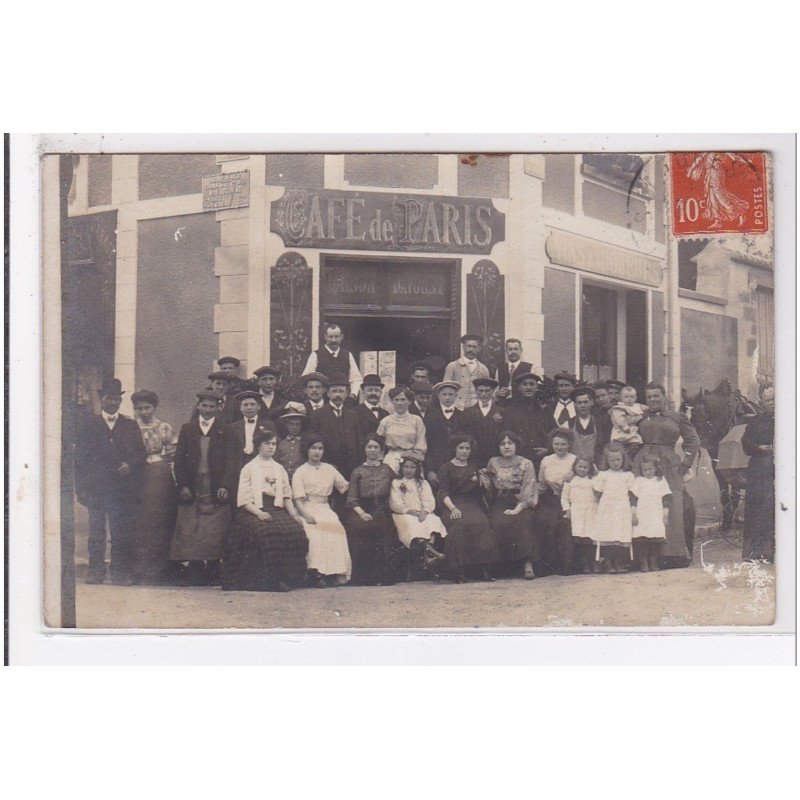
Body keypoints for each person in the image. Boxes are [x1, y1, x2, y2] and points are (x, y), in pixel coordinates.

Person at [74, 377, 146, 585]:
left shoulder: (130, 425)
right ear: (102, 398)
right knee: (96, 531)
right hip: (96, 488)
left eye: (117, 399)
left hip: (122, 489)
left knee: (120, 530)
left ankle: (120, 573)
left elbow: (140, 453)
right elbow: (80, 460)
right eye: (110, 398)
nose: (114, 403)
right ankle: (95, 571)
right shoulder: (89, 425)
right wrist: (82, 490)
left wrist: (129, 465)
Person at [222, 429, 309, 592]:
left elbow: (285, 494)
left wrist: (294, 514)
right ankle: (268, 580)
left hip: (276, 508)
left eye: (274, 444)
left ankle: (289, 577)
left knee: (294, 529)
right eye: (267, 444)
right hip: (253, 510)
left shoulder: (279, 468)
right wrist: (258, 513)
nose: (271, 447)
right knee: (265, 532)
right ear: (258, 446)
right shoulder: (249, 468)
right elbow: (243, 498)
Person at [633, 382, 700, 566]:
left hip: (669, 465)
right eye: (649, 397)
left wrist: (686, 463)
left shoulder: (676, 417)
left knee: (671, 505)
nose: (653, 399)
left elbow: (693, 440)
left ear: (664, 397)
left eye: (656, 395)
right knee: (643, 505)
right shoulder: (640, 417)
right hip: (643, 463)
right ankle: (643, 556)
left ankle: (672, 554)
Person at [170, 390, 231, 586]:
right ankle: (195, 568)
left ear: (218, 408)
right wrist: (183, 485)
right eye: (204, 405)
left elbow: (232, 462)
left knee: (214, 528)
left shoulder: (225, 430)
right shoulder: (188, 429)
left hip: (215, 486)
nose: (207, 410)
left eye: (212, 406)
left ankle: (213, 567)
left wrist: (225, 485)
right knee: (191, 526)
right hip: (193, 486)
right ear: (198, 407)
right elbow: (178, 460)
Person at [130, 389, 177, 585]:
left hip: (159, 476)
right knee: (140, 522)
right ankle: (139, 569)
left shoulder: (164, 427)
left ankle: (158, 570)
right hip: (136, 475)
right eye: (139, 408)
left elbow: (173, 452)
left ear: (154, 407)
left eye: (147, 407)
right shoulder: (130, 427)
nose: (143, 412)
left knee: (158, 521)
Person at [437, 434, 499, 582]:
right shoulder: (446, 467)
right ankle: (460, 571)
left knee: (482, 523)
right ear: (455, 449)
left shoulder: (473, 467)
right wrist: (453, 508)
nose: (464, 451)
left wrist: (485, 483)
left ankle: (484, 569)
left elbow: (478, 492)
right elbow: (443, 492)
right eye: (461, 448)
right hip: (452, 505)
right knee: (459, 525)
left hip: (472, 505)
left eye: (467, 448)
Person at [292, 433, 351, 587]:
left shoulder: (329, 469)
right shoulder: (301, 471)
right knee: (315, 532)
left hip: (325, 508)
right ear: (307, 450)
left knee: (336, 529)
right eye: (313, 448)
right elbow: (297, 499)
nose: (317, 452)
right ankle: (317, 573)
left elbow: (345, 487)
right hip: (308, 507)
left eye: (320, 448)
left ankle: (335, 571)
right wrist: (306, 515)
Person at [344, 434, 400, 586]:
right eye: (369, 447)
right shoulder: (358, 471)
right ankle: (363, 577)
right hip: (362, 508)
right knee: (360, 528)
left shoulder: (387, 469)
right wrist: (362, 513)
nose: (372, 450)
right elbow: (352, 498)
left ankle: (382, 577)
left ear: (381, 450)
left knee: (382, 528)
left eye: (376, 447)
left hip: (382, 508)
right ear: (364, 449)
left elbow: (398, 486)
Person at [483, 430, 538, 580]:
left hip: (520, 500)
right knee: (496, 521)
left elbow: (529, 489)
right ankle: (496, 566)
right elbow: (487, 479)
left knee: (523, 520)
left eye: (510, 443)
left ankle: (527, 563)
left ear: (516, 445)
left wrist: (518, 508)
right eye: (502, 444)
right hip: (500, 500)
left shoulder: (526, 463)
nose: (506, 447)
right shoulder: (493, 462)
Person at [390, 454, 448, 580]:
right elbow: (395, 502)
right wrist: (409, 511)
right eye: (406, 467)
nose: (409, 470)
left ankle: (428, 555)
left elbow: (428, 500)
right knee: (411, 525)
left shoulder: (422, 483)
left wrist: (425, 511)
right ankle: (432, 553)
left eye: (412, 467)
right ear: (401, 468)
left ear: (417, 469)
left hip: (421, 513)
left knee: (433, 520)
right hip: (403, 514)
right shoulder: (396, 483)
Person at [535, 428, 577, 575]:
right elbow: (541, 485)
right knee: (545, 520)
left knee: (564, 523)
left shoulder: (574, 460)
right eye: (556, 444)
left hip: (571, 500)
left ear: (569, 444)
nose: (559, 447)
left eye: (563, 444)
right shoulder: (546, 460)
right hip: (551, 498)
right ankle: (548, 565)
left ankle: (565, 565)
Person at [741, 385, 775, 562]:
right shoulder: (756, 422)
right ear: (762, 402)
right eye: (769, 400)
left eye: (775, 399)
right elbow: (746, 444)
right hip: (761, 470)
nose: (773, 403)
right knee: (761, 505)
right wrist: (759, 447)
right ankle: (759, 550)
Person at [308, 372, 362, 481]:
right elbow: (312, 442)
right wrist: (323, 463)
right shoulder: (317, 414)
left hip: (351, 468)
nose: (338, 395)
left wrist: (358, 465)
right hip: (328, 466)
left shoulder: (352, 415)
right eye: (334, 391)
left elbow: (358, 440)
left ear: (346, 393)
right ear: (327, 393)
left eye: (341, 391)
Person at [593, 442, 636, 574]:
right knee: (608, 534)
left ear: (623, 459)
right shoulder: (603, 475)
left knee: (620, 535)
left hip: (622, 508)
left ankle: (619, 563)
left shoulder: (628, 475)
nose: (615, 462)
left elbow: (632, 493)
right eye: (612, 460)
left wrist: (632, 510)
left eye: (618, 459)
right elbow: (597, 492)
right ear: (607, 460)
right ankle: (608, 563)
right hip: (607, 509)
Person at [224, 390, 277, 483]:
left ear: (258, 407)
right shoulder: (233, 427)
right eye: (245, 405)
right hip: (239, 466)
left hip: (260, 465)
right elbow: (229, 453)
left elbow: (273, 448)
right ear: (240, 408)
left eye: (252, 404)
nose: (249, 407)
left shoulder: (268, 425)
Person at [630, 455, 671, 572]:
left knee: (655, 540)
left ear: (656, 468)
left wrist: (665, 513)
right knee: (641, 539)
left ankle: (653, 563)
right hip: (642, 513)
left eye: (650, 469)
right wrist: (633, 514)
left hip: (655, 513)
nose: (647, 472)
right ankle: (644, 564)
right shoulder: (639, 481)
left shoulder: (660, 480)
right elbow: (633, 498)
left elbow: (666, 497)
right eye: (644, 470)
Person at [302, 322, 363, 400]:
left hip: (342, 401)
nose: (333, 340)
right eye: (330, 337)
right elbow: (307, 378)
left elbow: (356, 379)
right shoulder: (315, 355)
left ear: (342, 337)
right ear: (325, 337)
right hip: (323, 401)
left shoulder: (348, 355)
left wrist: (352, 395)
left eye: (336, 336)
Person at [376, 385, 427, 474]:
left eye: (403, 400)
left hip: (411, 460)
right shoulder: (385, 421)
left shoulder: (416, 420)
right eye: (396, 400)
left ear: (409, 401)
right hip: (391, 460)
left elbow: (421, 443)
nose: (399, 403)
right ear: (392, 401)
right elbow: (378, 443)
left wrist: (414, 456)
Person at [560, 455, 597, 574]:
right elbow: (565, 498)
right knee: (579, 538)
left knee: (591, 537)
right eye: (580, 466)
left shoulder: (593, 480)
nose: (582, 469)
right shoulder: (570, 481)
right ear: (574, 467)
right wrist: (567, 510)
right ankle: (584, 564)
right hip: (577, 512)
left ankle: (594, 563)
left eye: (585, 467)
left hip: (591, 511)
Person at [423, 380, 465, 486]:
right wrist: (429, 470)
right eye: (444, 394)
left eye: (450, 394)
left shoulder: (463, 417)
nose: (447, 397)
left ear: (456, 396)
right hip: (437, 465)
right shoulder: (430, 417)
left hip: (458, 466)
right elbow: (426, 445)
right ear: (439, 396)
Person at [504, 371, 549, 467]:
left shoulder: (544, 410)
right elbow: (506, 434)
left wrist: (548, 450)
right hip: (518, 460)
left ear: (536, 387)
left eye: (532, 384)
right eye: (524, 384)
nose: (528, 387)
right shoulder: (510, 410)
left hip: (541, 460)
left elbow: (553, 432)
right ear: (519, 388)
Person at [460, 377, 505, 469]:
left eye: (487, 391)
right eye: (480, 391)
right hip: (474, 458)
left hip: (495, 457)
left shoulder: (501, 412)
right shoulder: (468, 412)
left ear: (493, 391)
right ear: (476, 391)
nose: (483, 394)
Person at [443, 333, 491, 410]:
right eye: (468, 346)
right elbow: (445, 389)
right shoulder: (452, 366)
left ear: (479, 348)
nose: (471, 349)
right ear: (463, 347)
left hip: (476, 409)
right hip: (457, 408)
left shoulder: (483, 369)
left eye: (474, 347)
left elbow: (487, 391)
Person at [610, 385, 647, 456]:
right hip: (621, 430)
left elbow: (644, 408)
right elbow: (619, 419)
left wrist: (647, 409)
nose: (629, 399)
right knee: (619, 446)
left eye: (632, 397)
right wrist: (624, 427)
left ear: (636, 398)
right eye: (626, 397)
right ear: (621, 398)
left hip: (632, 431)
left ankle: (633, 448)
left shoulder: (637, 406)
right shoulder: (619, 408)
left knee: (634, 443)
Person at [274, 403, 308, 481]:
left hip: (301, 480)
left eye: (298, 424)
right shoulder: (281, 444)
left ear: (301, 426)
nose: (294, 427)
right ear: (286, 425)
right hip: (283, 479)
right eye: (291, 424)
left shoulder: (305, 443)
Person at [494, 338, 532, 403]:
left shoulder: (531, 368)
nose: (513, 352)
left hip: (523, 407)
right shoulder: (500, 369)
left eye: (516, 349)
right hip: (504, 407)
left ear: (521, 351)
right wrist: (497, 393)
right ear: (506, 351)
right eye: (510, 349)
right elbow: (495, 390)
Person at [568, 386, 597, 464]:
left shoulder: (599, 422)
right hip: (575, 466)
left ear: (591, 402)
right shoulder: (568, 423)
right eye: (579, 403)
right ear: (574, 404)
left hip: (595, 466)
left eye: (585, 402)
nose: (583, 405)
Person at [592, 382, 614, 462]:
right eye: (597, 397)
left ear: (609, 395)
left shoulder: (618, 410)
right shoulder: (595, 414)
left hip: (615, 451)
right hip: (600, 452)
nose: (601, 399)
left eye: (603, 395)